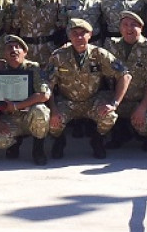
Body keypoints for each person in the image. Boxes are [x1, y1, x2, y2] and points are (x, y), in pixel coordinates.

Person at [45, 18, 131, 160]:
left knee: (109, 116)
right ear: (69, 35)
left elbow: (125, 75)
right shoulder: (58, 56)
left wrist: (114, 103)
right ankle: (59, 140)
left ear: (90, 34)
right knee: (52, 121)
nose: (79, 37)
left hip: (93, 100)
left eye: (83, 33)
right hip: (67, 102)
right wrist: (53, 109)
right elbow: (48, 85)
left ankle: (97, 140)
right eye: (74, 33)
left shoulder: (99, 54)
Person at [0, 35, 51, 164]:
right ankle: (10, 143)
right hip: (8, 118)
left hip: (28, 117)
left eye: (18, 47)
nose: (14, 50)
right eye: (9, 48)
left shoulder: (33, 68)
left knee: (41, 110)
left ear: (25, 53)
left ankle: (38, 149)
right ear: (4, 54)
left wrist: (17, 105)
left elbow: (44, 94)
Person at [103, 11, 147, 151]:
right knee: (103, 112)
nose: (129, 29)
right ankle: (120, 134)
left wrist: (142, 108)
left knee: (144, 121)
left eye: (133, 25)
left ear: (141, 28)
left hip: (141, 101)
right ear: (119, 28)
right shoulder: (111, 46)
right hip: (118, 100)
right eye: (125, 25)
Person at [12, 0, 65, 65]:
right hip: (27, 47)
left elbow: (61, 23)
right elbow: (16, 23)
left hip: (48, 48)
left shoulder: (55, 0)